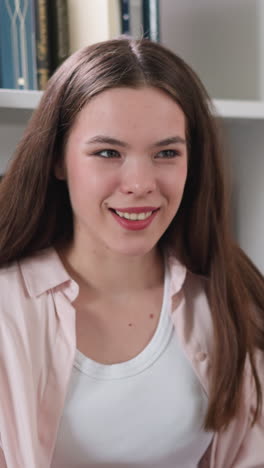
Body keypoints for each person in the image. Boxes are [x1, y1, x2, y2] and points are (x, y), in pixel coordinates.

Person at [0, 37, 263, 468]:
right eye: (108, 152)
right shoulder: (7, 306)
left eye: (166, 153)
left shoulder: (233, 299)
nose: (140, 183)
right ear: (58, 160)